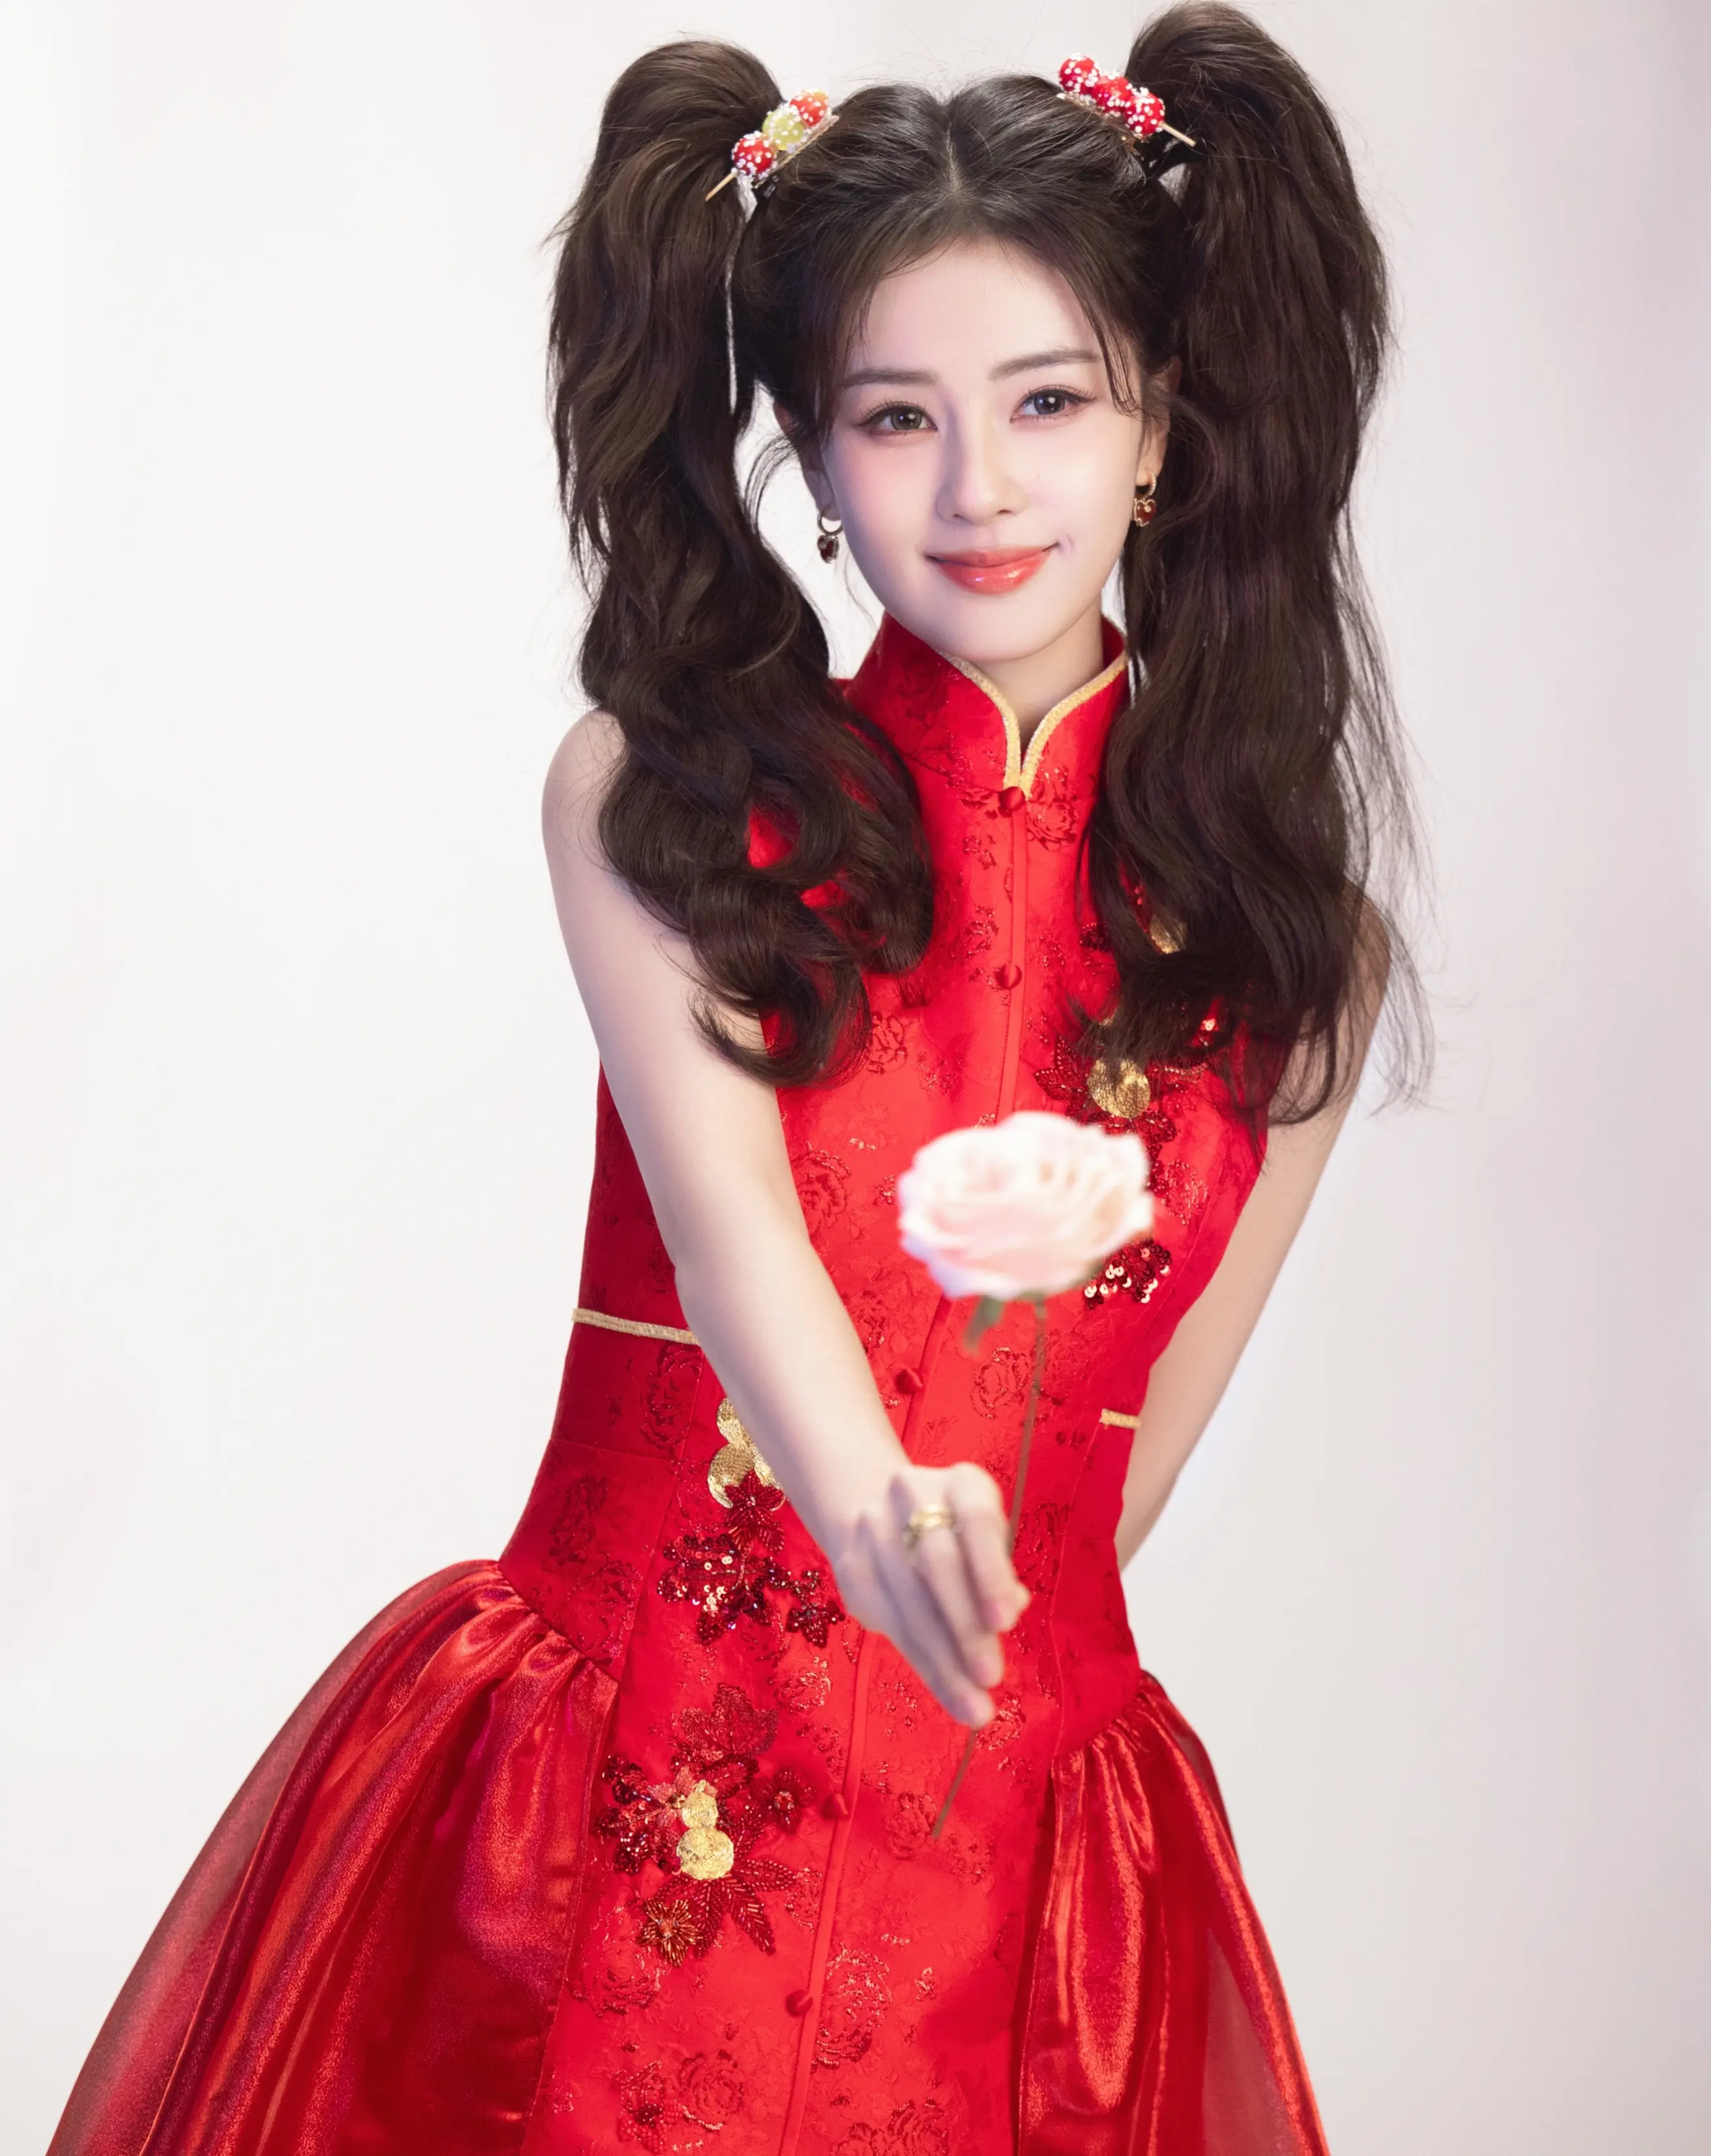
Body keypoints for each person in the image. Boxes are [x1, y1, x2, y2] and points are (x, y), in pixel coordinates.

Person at [50, 6, 1423, 2150]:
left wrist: (966, 1600)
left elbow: (1119, 1476)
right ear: (810, 447)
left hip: (1014, 1882)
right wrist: (871, 1506)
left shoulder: (1283, 963)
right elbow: (733, 1245)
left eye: (1050, 401)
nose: (979, 488)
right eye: (895, 418)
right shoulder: (673, 814)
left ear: (1161, 428)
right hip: (623, 1805)